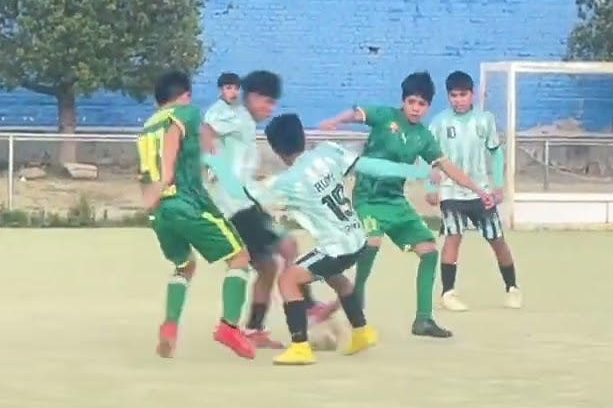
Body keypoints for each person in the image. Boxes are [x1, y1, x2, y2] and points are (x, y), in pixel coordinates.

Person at [219, 113, 435, 365]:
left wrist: (219, 164)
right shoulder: (328, 151)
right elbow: (372, 166)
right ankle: (362, 332)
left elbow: (241, 193)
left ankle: (300, 347)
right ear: (302, 136)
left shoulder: (286, 182)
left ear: (277, 150)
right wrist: (412, 170)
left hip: (336, 247)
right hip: (357, 236)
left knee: (289, 280)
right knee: (336, 277)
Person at [319, 71, 494, 339]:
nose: (416, 108)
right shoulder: (385, 116)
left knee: (428, 251)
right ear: (403, 102)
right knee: (372, 243)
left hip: (395, 201)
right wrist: (333, 122)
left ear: (428, 107)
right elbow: (357, 113)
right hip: (367, 198)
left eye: (422, 104)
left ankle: (423, 320)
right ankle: (357, 308)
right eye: (411, 102)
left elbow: (447, 167)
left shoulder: (423, 137)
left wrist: (478, 190)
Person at [201, 70, 325, 349]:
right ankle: (308, 306)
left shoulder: (243, 125)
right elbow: (205, 128)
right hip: (235, 207)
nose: (271, 109)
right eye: (267, 102)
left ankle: (255, 329)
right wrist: (208, 161)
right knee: (288, 246)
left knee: (267, 266)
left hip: (243, 205)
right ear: (252, 97)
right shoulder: (237, 116)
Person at [138, 70, 254, 360]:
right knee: (239, 258)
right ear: (185, 95)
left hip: (159, 210)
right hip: (186, 201)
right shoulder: (185, 113)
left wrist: (150, 201)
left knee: (184, 265)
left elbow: (144, 172)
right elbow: (183, 141)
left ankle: (169, 328)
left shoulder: (147, 126)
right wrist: (171, 176)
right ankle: (229, 327)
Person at [425, 70, 521, 312]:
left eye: (463, 94)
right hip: (451, 191)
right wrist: (430, 186)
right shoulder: (439, 123)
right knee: (453, 237)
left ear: (472, 94)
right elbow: (427, 158)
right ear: (448, 97)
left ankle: (512, 288)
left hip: (481, 192)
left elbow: (495, 153)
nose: (458, 99)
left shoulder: (485, 120)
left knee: (497, 240)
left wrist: (498, 184)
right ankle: (448, 292)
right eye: (454, 95)